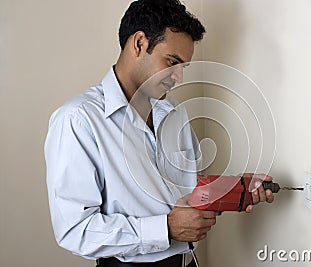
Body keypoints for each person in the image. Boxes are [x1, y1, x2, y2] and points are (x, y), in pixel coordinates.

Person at [44, 1, 274, 266]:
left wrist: (233, 190)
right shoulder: (78, 120)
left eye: (183, 67)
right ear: (139, 43)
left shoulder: (174, 112)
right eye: (172, 62)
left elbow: (187, 188)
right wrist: (165, 228)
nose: (178, 77)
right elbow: (75, 230)